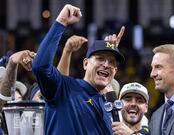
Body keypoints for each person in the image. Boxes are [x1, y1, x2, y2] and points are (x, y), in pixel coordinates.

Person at [32, 4, 125, 135]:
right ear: (86, 63)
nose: (106, 64)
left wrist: (108, 47)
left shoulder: (109, 108)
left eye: (111, 62)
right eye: (100, 58)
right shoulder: (64, 88)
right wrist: (61, 22)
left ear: (115, 71)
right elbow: (40, 66)